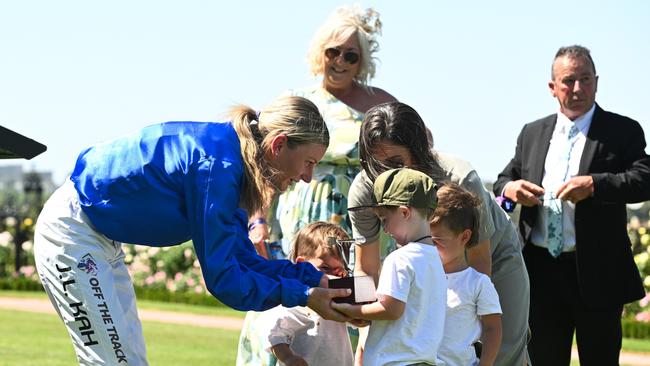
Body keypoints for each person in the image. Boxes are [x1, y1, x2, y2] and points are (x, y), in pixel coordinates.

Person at [32, 96, 353, 366]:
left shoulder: (234, 164)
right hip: (73, 233)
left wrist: (315, 280)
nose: (308, 177)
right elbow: (225, 281)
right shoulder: (220, 169)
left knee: (128, 360)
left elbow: (242, 260)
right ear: (279, 145)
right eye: (308, 162)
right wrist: (306, 296)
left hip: (97, 237)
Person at [239, 5, 396, 363]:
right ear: (319, 52)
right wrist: (258, 220)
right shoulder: (295, 100)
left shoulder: (380, 104)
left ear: (363, 61)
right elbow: (266, 161)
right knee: (284, 296)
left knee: (357, 294)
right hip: (296, 216)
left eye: (350, 56)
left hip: (359, 221)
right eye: (333, 52)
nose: (340, 61)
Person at [493, 45, 650, 365]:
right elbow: (502, 180)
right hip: (539, 271)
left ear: (597, 81)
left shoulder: (622, 130)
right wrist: (512, 189)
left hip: (596, 271)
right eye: (568, 81)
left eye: (585, 79)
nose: (578, 88)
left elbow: (644, 177)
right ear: (553, 88)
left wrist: (595, 185)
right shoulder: (532, 133)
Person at [349, 101, 530, 365]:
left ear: (418, 152)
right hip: (425, 265)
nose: (387, 173)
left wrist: (467, 331)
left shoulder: (458, 176)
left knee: (502, 350)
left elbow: (479, 262)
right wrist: (364, 317)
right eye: (377, 165)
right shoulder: (364, 190)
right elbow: (366, 268)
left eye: (397, 162)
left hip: (490, 257)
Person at [334, 167, 447, 366]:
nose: (385, 229)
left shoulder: (400, 258)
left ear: (404, 212)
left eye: (385, 220)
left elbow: (391, 309)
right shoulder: (436, 260)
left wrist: (351, 310)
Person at [243, 222, 354, 366]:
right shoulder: (294, 301)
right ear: (302, 265)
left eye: (339, 272)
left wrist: (359, 316)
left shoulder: (339, 300)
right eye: (325, 268)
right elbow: (275, 335)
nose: (332, 277)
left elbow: (362, 320)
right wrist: (289, 357)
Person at [432, 183, 502, 366]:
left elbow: (493, 329)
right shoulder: (422, 276)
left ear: (464, 237)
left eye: (437, 241)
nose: (429, 247)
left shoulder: (477, 283)